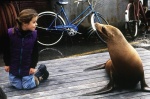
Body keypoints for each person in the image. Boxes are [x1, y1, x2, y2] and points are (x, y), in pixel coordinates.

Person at [2, 9, 49, 90]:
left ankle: (40, 73)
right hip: (14, 68)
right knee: (18, 86)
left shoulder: (33, 35)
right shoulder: (10, 34)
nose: (36, 24)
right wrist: (7, 63)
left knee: (28, 86)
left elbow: (35, 52)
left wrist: (32, 66)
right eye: (34, 22)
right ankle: (32, 77)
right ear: (24, 23)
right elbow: (6, 50)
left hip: (27, 68)